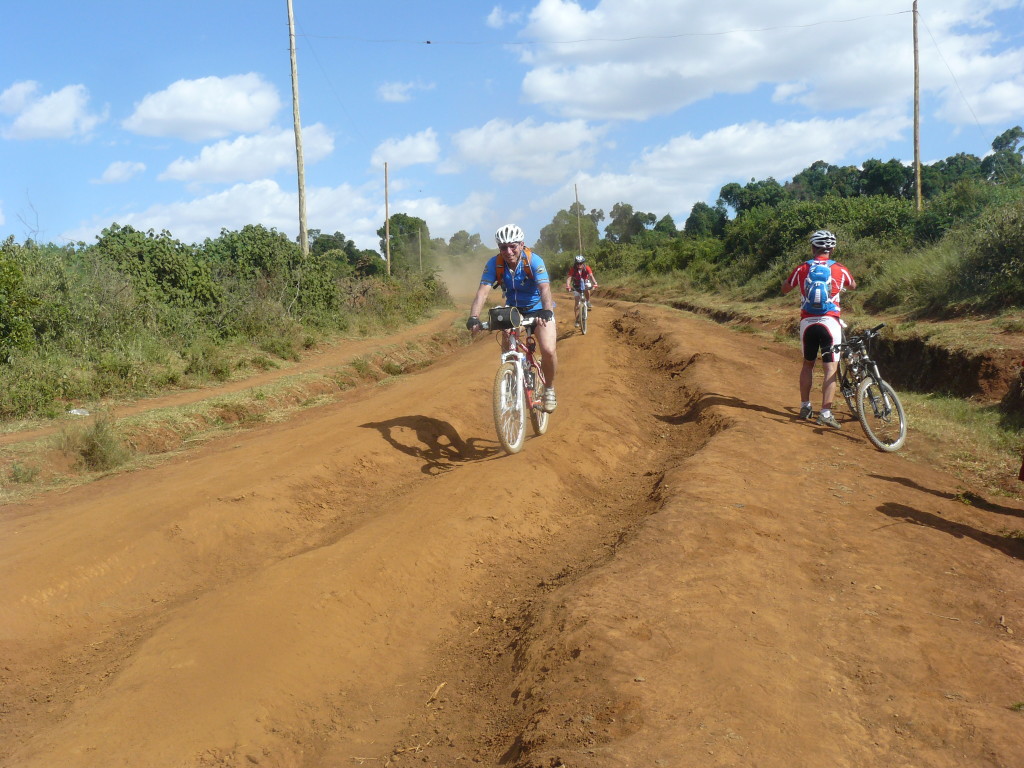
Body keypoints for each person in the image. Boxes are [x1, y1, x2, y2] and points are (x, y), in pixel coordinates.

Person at [466, 224, 559, 413]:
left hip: (537, 309)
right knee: (507, 341)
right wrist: (474, 317)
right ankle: (510, 376)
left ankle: (549, 389)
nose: (508, 251)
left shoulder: (534, 260)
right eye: (503, 247)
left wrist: (547, 311)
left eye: (513, 246)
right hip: (514, 310)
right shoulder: (494, 263)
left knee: (548, 350)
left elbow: (545, 288)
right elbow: (482, 292)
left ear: (522, 244)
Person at [781, 229, 857, 429]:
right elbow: (853, 285)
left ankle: (805, 406)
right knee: (830, 368)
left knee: (807, 365)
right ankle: (825, 412)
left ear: (813, 247)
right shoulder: (840, 268)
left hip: (807, 323)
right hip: (830, 322)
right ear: (831, 248)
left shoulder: (802, 268)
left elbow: (785, 288)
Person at [565, 254, 599, 325]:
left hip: (585, 282)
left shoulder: (587, 268)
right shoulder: (573, 269)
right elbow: (569, 278)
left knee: (587, 287)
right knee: (577, 304)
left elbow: (591, 276)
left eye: (581, 263)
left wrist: (595, 283)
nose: (579, 265)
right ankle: (577, 320)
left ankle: (588, 301)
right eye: (577, 263)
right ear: (575, 263)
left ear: (583, 263)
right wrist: (568, 286)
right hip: (576, 285)